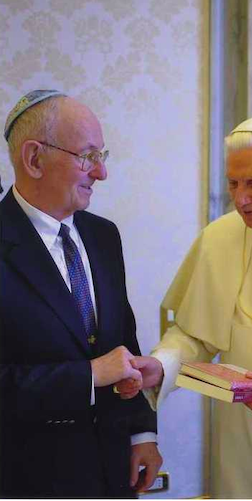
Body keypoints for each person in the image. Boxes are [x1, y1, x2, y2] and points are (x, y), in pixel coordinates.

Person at [116, 116, 252, 499]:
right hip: (239, 430)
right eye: (233, 183)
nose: (240, 199)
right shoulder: (218, 237)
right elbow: (195, 335)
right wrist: (163, 364)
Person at [0, 90, 162, 498]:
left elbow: (123, 341)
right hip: (27, 479)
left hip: (112, 472)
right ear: (34, 159)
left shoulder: (103, 235)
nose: (101, 173)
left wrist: (141, 431)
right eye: (88, 156)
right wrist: (87, 376)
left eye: (101, 156)